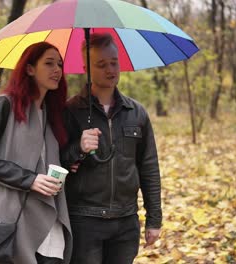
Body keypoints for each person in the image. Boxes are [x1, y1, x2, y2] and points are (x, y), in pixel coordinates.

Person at [60, 33, 162, 264]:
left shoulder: (136, 113)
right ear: (87, 67)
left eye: (114, 62)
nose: (110, 69)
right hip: (84, 220)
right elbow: (55, 163)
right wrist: (78, 148)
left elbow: (148, 167)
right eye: (101, 64)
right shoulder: (70, 111)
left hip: (126, 221)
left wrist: (154, 219)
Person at [0, 42, 72, 264]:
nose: (57, 70)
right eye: (49, 63)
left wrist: (79, 151)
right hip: (14, 217)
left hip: (48, 215)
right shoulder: (5, 104)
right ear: (29, 68)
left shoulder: (51, 113)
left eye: (60, 64)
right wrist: (29, 180)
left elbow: (48, 158)